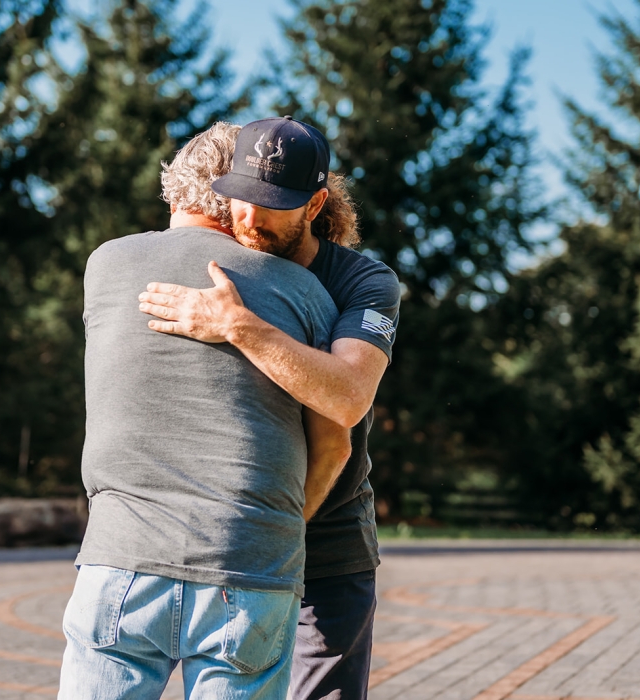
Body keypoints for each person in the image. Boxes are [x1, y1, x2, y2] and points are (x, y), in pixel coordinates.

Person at [58, 122, 352, 700]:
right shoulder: (307, 294)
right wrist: (282, 525)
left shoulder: (106, 264)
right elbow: (335, 443)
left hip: (120, 557)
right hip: (249, 561)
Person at [139, 116, 402, 700]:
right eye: (240, 198)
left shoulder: (364, 282)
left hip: (326, 551)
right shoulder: (218, 259)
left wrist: (238, 326)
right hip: (226, 546)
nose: (250, 219)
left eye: (274, 205)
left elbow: (349, 395)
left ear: (315, 205)